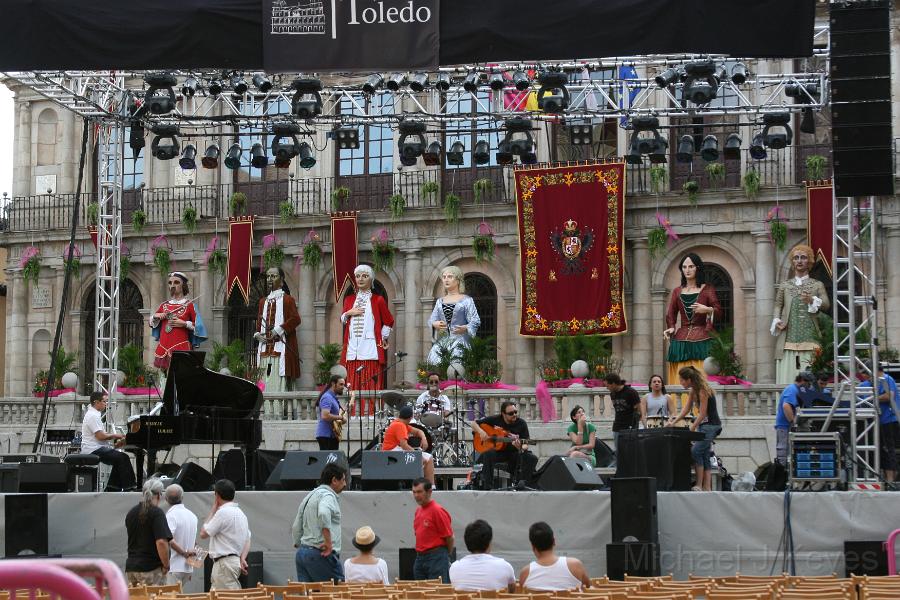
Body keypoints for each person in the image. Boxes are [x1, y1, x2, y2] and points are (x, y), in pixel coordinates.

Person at [771, 244, 830, 385]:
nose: (799, 261)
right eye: (796, 258)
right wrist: (776, 319)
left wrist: (812, 300)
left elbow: (826, 305)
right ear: (792, 261)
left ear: (809, 261)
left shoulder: (817, 285)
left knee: (811, 380)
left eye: (803, 257)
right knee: (788, 381)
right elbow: (778, 305)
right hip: (788, 340)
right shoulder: (785, 285)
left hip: (811, 341)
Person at [340, 265, 394, 414]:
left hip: (370, 348)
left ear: (371, 279)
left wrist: (383, 337)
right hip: (352, 348)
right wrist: (349, 312)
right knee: (352, 383)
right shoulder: (349, 299)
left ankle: (370, 413)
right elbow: (343, 318)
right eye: (358, 276)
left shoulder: (378, 300)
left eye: (364, 276)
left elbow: (388, 321)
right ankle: (352, 413)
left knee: (370, 382)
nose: (360, 279)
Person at [663, 253, 722, 384]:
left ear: (698, 268)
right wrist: (671, 327)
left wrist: (707, 309)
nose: (687, 270)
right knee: (681, 379)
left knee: (701, 378)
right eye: (684, 267)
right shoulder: (677, 291)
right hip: (681, 341)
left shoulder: (707, 289)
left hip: (704, 339)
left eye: (691, 266)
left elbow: (718, 311)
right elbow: (671, 313)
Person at [667, 366, 722, 491]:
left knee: (695, 451)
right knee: (704, 453)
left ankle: (698, 484)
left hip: (711, 425)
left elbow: (702, 414)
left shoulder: (702, 391)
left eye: (682, 380)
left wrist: (691, 430)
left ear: (689, 379)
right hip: (705, 425)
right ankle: (707, 486)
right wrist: (673, 422)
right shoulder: (693, 391)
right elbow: (685, 410)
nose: (680, 383)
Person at [292, 462, 348, 583]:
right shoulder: (328, 496)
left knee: (309, 595)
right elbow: (323, 513)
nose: (345, 484)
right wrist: (328, 543)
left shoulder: (309, 496)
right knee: (337, 593)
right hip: (320, 554)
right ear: (334, 480)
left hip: (302, 554)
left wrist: (299, 543)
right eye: (343, 480)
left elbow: (297, 525)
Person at [470, 401, 538, 490]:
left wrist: (520, 447)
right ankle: (488, 488)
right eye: (510, 413)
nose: (514, 415)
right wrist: (481, 432)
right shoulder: (496, 419)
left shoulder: (521, 423)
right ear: (503, 414)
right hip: (499, 452)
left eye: (515, 412)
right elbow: (473, 423)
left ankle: (521, 485)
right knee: (487, 454)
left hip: (514, 452)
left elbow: (525, 444)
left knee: (530, 457)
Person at [254, 267, 301, 392]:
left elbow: (296, 319)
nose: (269, 279)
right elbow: (259, 324)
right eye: (268, 276)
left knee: (278, 380)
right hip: (264, 350)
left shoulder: (288, 300)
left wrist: (279, 329)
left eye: (273, 276)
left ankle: (278, 410)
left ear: (281, 280)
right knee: (264, 380)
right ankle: (265, 409)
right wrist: (257, 334)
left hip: (281, 350)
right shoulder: (262, 302)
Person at [150, 271, 207, 372]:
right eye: (170, 283)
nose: (172, 285)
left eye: (176, 282)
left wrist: (184, 324)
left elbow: (199, 327)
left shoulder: (190, 305)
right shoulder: (164, 305)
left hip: (181, 347)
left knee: (181, 377)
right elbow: (152, 323)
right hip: (164, 346)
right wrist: (156, 316)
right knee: (163, 380)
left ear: (183, 285)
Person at [200, 479, 251, 590]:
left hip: (224, 564)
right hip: (233, 562)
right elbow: (248, 539)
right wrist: (242, 558)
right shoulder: (242, 514)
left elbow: (203, 533)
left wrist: (213, 510)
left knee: (224, 596)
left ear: (217, 495)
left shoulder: (222, 513)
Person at [80, 391, 136, 492]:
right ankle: (130, 487)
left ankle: (112, 488)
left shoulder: (94, 414)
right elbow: (100, 436)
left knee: (119, 459)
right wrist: (116, 435)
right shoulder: (92, 415)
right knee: (123, 458)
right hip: (92, 449)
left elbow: (100, 437)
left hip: (96, 447)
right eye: (104, 402)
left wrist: (114, 444)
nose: (106, 404)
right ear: (96, 402)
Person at [428, 266, 481, 363]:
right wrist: (434, 324)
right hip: (442, 344)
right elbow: (432, 320)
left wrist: (465, 327)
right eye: (444, 277)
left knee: (457, 367)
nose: (446, 280)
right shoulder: (440, 301)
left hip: (460, 342)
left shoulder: (467, 300)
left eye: (450, 276)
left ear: (458, 280)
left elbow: (475, 320)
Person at [124, 478, 172, 586]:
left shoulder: (131, 513)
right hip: (151, 569)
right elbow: (161, 542)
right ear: (159, 495)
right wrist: (166, 565)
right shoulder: (157, 513)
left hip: (132, 567)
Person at [519, 522, 590, 591]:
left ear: (533, 546)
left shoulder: (525, 573)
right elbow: (589, 588)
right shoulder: (575, 565)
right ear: (554, 541)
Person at [448, 520, 516, 592]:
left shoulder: (454, 568)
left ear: (466, 542)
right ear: (489, 542)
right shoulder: (505, 566)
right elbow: (511, 592)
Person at [859, 364, 899, 483]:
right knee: (877, 450)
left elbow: (888, 396)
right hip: (872, 422)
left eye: (865, 373)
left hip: (888, 420)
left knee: (888, 449)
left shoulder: (886, 379)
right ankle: (880, 477)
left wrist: (870, 398)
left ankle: (891, 479)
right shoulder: (865, 384)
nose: (864, 376)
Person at [412, 478, 454, 583]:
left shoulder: (437, 511)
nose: (416, 495)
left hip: (436, 556)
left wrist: (443, 556)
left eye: (419, 492)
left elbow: (450, 537)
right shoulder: (418, 511)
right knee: (420, 592)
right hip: (420, 557)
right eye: (414, 492)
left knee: (437, 592)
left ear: (429, 492)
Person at [382, 405, 435, 484]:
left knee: (426, 458)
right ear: (410, 418)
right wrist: (417, 455)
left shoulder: (399, 423)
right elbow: (404, 445)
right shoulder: (400, 426)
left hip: (394, 453)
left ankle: (427, 486)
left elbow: (418, 431)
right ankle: (430, 486)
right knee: (428, 458)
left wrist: (424, 439)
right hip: (392, 454)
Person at [772, 372, 813, 464]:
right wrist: (793, 422)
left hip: (785, 425)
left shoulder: (795, 390)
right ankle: (782, 472)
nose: (809, 386)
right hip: (785, 426)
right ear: (803, 381)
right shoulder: (792, 390)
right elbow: (786, 406)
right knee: (783, 451)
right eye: (808, 383)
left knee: (788, 451)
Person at [164, 483, 198, 587]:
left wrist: (184, 553)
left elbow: (169, 538)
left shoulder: (171, 515)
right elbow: (194, 542)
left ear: (166, 499)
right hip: (188, 567)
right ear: (182, 497)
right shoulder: (192, 515)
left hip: (175, 566)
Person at [605, 373, 640, 447]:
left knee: (630, 451)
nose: (607, 388)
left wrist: (634, 426)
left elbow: (639, 410)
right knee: (618, 452)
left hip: (629, 428)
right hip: (617, 427)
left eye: (607, 385)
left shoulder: (631, 392)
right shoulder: (612, 394)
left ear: (613, 383)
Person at [316, 375, 347, 451]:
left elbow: (333, 419)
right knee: (327, 462)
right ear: (333, 384)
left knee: (332, 462)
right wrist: (341, 418)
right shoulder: (327, 397)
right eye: (341, 384)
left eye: (344, 384)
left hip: (332, 435)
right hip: (326, 435)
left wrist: (341, 421)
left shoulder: (332, 397)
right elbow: (325, 416)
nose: (343, 387)